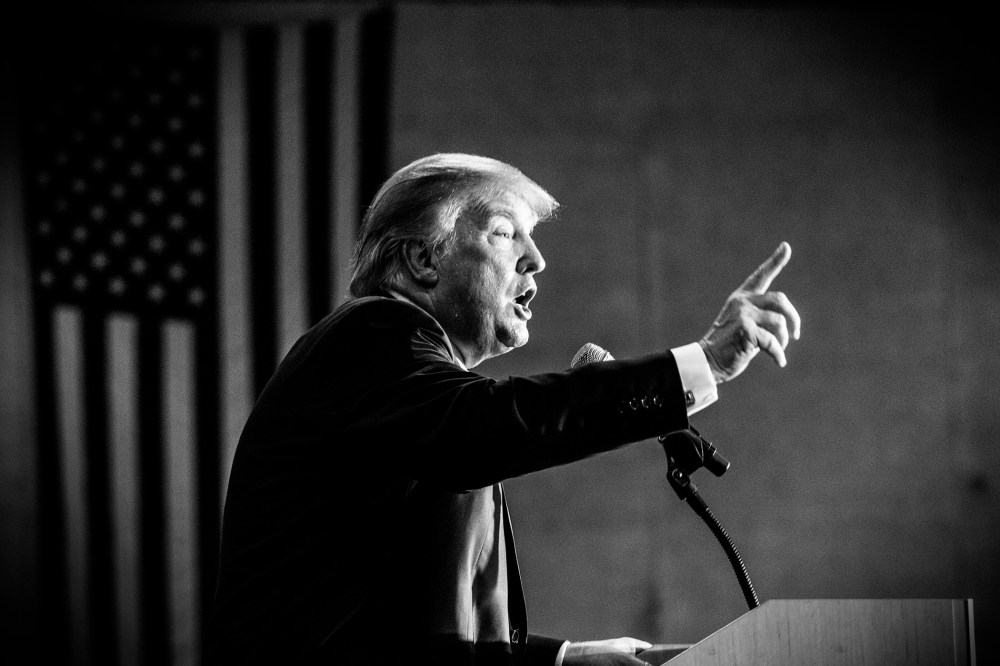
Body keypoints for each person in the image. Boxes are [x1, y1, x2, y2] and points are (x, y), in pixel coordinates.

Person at [204, 154, 801, 666]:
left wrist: (567, 658)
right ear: (421, 261)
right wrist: (702, 364)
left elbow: (408, 625)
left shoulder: (420, 399)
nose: (536, 259)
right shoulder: (371, 336)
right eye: (503, 232)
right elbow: (483, 427)